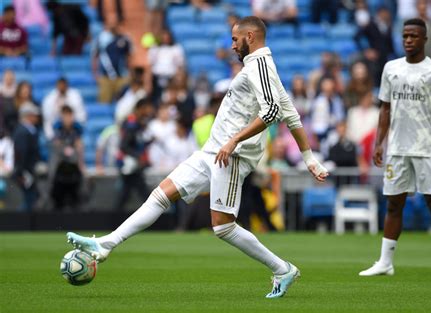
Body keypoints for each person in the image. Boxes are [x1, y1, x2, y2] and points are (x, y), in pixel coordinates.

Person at [66, 16, 328, 299]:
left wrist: (234, 140)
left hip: (232, 155)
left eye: (234, 39)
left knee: (223, 227)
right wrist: (309, 158)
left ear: (250, 36)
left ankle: (282, 269)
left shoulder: (260, 66)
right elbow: (290, 112)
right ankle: (105, 245)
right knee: (161, 194)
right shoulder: (258, 67)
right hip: (213, 151)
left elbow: (274, 112)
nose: (231, 46)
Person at [359, 18, 431, 277]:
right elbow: (385, 107)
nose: (408, 40)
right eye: (405, 36)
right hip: (397, 149)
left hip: (426, 148)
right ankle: (385, 262)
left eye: (413, 36)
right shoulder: (391, 68)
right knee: (394, 204)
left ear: (424, 40)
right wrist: (379, 143)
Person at [114, 98, 155, 211]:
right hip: (128, 164)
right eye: (147, 108)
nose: (149, 111)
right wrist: (138, 156)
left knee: (126, 194)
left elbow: (135, 143)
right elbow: (124, 145)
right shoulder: (131, 123)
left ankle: (114, 220)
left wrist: (149, 142)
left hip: (133, 165)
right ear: (140, 108)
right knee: (142, 193)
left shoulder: (137, 123)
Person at [92, 20, 132, 103]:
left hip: (121, 75)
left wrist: (129, 72)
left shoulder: (124, 39)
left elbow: (129, 56)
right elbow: (95, 56)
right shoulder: (102, 38)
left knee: (123, 102)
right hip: (106, 76)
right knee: (104, 102)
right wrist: (95, 73)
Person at [12, 103, 41, 211]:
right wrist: (21, 172)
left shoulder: (27, 130)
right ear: (28, 116)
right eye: (34, 115)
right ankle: (17, 223)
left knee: (31, 198)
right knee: (28, 198)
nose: (36, 117)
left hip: (27, 169)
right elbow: (21, 153)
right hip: (25, 171)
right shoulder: (22, 132)